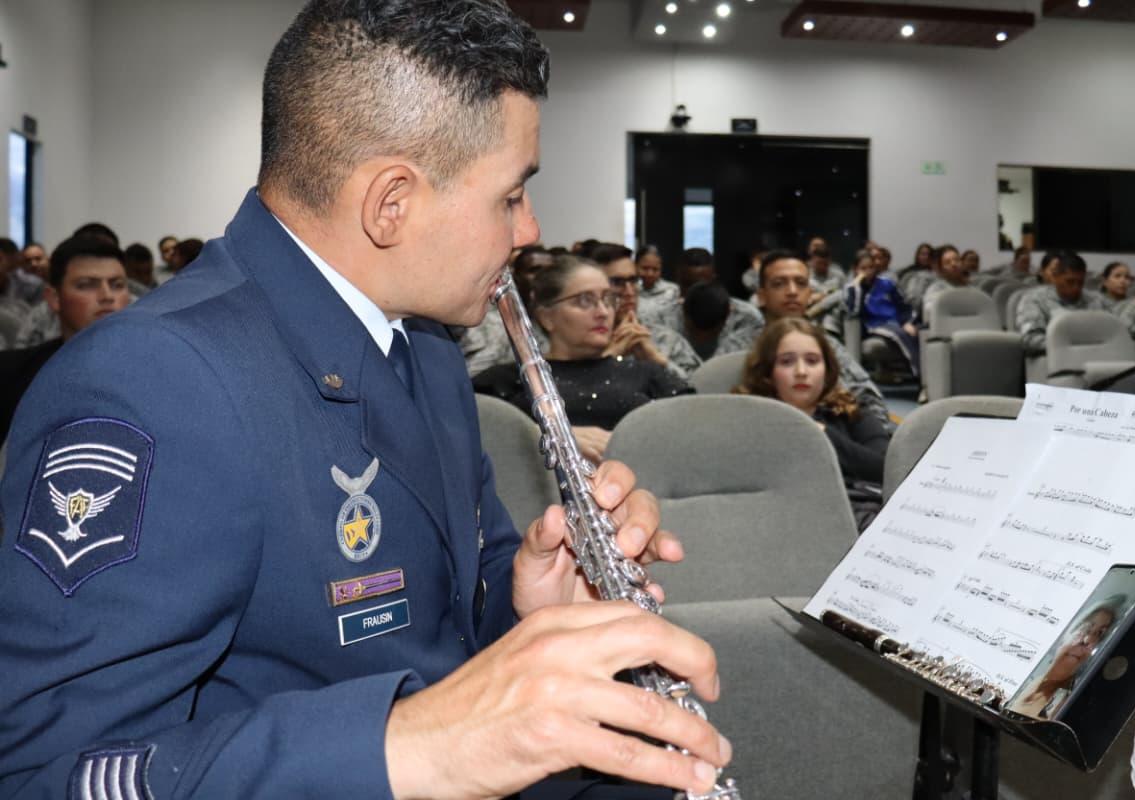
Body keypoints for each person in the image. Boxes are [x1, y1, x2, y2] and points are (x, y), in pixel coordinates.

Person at [0, 3, 730, 799]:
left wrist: (528, 608)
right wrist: (411, 746)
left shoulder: (422, 343)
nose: (530, 228)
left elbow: (439, 619)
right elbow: (43, 772)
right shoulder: (153, 381)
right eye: (511, 196)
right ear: (392, 202)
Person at [473, 256, 693, 464]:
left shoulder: (645, 371)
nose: (603, 311)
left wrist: (658, 359)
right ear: (547, 317)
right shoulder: (511, 379)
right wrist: (546, 436)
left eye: (608, 299)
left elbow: (698, 430)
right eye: (585, 301)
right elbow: (474, 438)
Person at [734, 317, 889, 529]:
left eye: (812, 361)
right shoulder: (749, 419)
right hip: (779, 523)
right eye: (787, 361)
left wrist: (822, 435)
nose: (801, 372)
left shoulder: (851, 412)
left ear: (827, 371)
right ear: (768, 374)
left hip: (855, 517)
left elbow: (883, 469)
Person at [720, 250, 891, 429]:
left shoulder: (828, 345)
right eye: (779, 284)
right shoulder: (736, 346)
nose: (792, 292)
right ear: (761, 296)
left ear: (809, 293)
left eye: (801, 284)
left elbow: (868, 398)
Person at [0, 235, 131, 441]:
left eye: (117, 284)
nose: (107, 295)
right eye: (87, 285)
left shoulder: (157, 372)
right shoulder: (12, 375)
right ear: (54, 298)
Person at [588, 242, 701, 379]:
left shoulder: (665, 339)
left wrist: (659, 361)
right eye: (617, 282)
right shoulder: (581, 344)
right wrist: (608, 359)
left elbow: (702, 392)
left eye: (633, 280)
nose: (629, 292)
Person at [1007, 600, 1119, 719]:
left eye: (1100, 634)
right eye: (1086, 627)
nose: (1087, 640)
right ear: (1066, 631)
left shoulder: (1071, 703)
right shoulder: (1021, 675)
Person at [458, 244, 552, 376]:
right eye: (534, 270)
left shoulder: (564, 323)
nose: (543, 276)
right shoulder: (487, 322)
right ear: (516, 277)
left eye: (550, 271)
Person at [1015, 250, 1104, 357]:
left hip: (1097, 357)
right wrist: (1072, 347)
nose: (1076, 287)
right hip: (1054, 359)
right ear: (1055, 277)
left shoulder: (1095, 299)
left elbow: (1116, 332)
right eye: (1070, 281)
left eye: (1080, 283)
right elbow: (1030, 340)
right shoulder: (1035, 299)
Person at [846, 251, 919, 375]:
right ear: (855, 269)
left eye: (871, 267)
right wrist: (857, 286)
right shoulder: (852, 288)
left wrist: (906, 322)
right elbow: (855, 311)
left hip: (895, 321)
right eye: (863, 268)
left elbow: (902, 305)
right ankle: (918, 373)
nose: (868, 271)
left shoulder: (886, 283)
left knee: (916, 331)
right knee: (899, 334)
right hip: (874, 324)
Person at [920, 244, 971, 325]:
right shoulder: (934, 290)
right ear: (940, 268)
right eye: (947, 262)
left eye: (957, 260)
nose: (954, 264)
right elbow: (930, 316)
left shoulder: (972, 289)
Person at [635, 243, 679, 319]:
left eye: (655, 269)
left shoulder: (672, 290)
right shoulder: (630, 291)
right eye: (645, 268)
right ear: (635, 266)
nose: (650, 274)